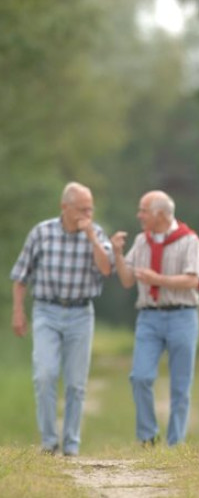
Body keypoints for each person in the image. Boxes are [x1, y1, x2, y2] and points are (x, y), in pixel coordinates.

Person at [10, 182, 113, 456]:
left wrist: (91, 236)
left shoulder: (96, 233)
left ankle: (71, 445)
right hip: (46, 311)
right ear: (64, 207)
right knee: (44, 375)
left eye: (90, 209)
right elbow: (21, 277)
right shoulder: (41, 233)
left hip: (81, 313)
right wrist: (18, 311)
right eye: (81, 209)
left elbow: (106, 269)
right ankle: (48, 442)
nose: (86, 214)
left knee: (76, 383)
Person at [111, 190, 199, 447]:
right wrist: (118, 254)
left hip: (182, 316)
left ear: (160, 214)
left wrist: (158, 280)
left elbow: (193, 280)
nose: (139, 215)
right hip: (149, 318)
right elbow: (128, 280)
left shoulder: (189, 240)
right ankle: (147, 435)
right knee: (140, 376)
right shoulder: (142, 241)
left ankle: (176, 442)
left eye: (143, 210)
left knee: (180, 386)